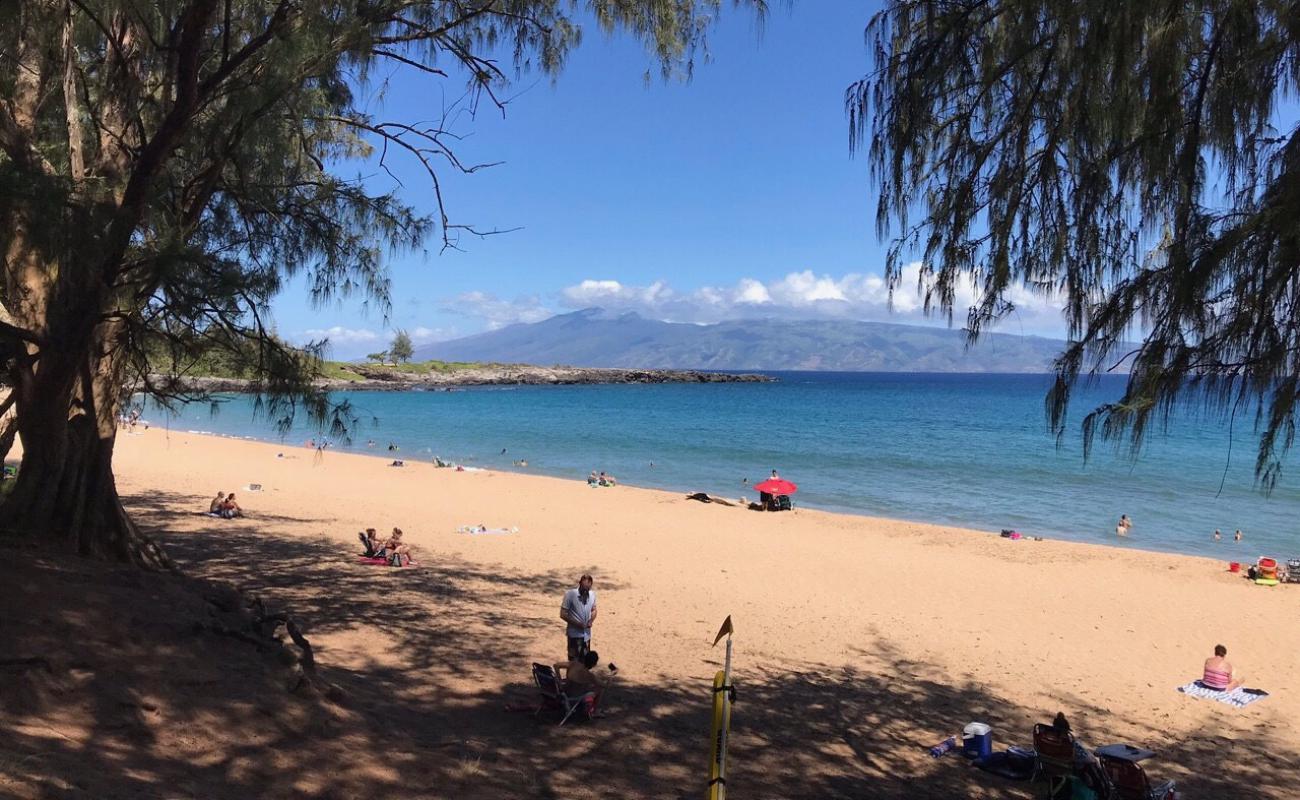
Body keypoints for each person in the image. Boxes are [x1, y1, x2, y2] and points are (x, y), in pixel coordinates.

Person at [553, 649, 614, 717]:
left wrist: (560, 680)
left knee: (585, 685)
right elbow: (607, 686)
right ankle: (594, 711)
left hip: (565, 692)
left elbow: (556, 665)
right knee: (600, 689)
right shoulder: (590, 676)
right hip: (576, 697)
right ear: (594, 664)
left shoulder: (573, 664)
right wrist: (611, 676)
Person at [560, 575, 597, 660]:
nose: (585, 591)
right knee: (573, 663)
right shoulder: (570, 595)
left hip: (586, 636)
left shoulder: (592, 595)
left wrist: (591, 620)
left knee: (585, 663)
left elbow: (594, 610)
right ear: (579, 583)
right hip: (574, 635)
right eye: (583, 588)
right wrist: (577, 624)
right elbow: (563, 614)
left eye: (587, 588)